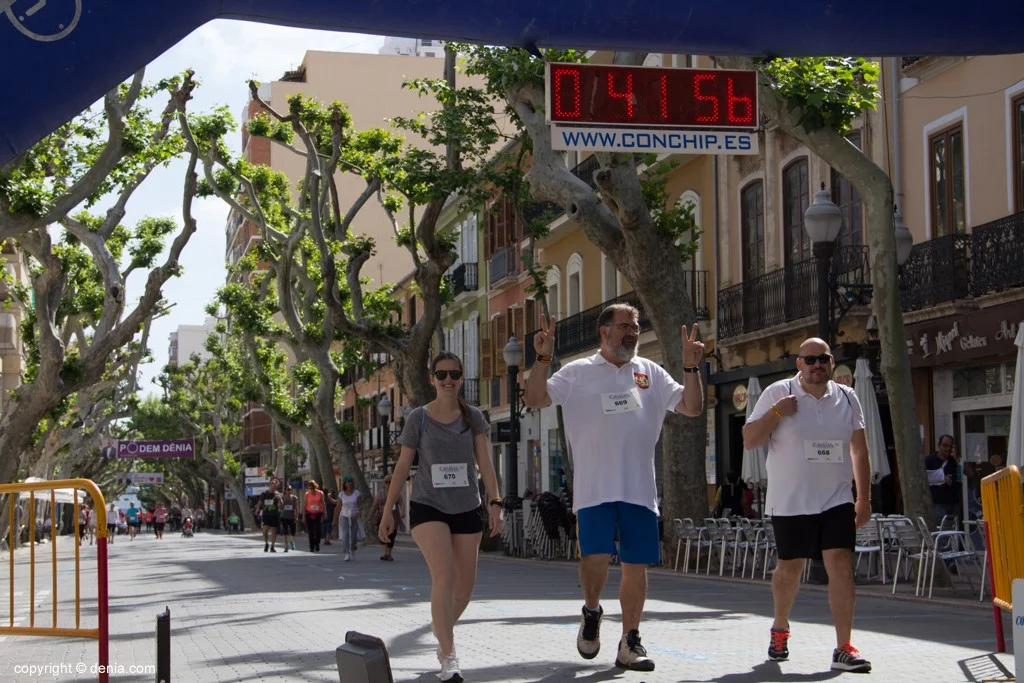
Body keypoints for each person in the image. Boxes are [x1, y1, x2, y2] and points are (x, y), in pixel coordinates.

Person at [523, 305, 704, 672]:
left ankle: (630, 641)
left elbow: (692, 406)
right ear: (604, 332)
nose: (633, 332)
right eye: (625, 326)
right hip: (594, 490)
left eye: (635, 326)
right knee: (595, 559)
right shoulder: (577, 373)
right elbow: (534, 398)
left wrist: (690, 366)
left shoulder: (650, 373)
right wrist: (543, 356)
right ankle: (591, 611)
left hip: (639, 489)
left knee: (637, 566)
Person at [742, 337, 872, 673]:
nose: (817, 365)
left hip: (837, 499)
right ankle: (780, 627)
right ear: (799, 364)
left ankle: (844, 647)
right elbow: (750, 439)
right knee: (790, 570)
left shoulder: (847, 396)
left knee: (841, 565)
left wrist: (864, 498)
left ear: (831, 362)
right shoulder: (778, 393)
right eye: (810, 360)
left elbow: (859, 450)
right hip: (791, 500)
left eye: (823, 359)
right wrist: (776, 412)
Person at [379, 351, 503, 683]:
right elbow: (403, 466)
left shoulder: (473, 417)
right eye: (442, 374)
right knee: (444, 578)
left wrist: (495, 502)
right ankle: (449, 657)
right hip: (428, 505)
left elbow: (486, 464)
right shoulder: (418, 418)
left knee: (464, 590)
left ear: (462, 378)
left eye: (455, 374)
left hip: (466, 505)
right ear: (432, 379)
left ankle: (440, 630)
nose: (449, 380)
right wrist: (389, 509)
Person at [925, 434, 959, 526]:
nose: (948, 449)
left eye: (951, 447)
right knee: (942, 532)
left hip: (954, 503)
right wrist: (941, 478)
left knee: (952, 533)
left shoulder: (953, 461)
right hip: (938, 503)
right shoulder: (929, 460)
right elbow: (925, 479)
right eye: (945, 446)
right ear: (939, 445)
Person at [369, 474, 404, 561]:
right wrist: (370, 516)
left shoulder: (396, 492)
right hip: (382, 517)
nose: (388, 484)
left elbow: (401, 503)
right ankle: (385, 553)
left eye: (390, 482)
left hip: (394, 517)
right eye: (386, 482)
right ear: (384, 483)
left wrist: (403, 511)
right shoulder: (380, 494)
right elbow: (374, 505)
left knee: (392, 535)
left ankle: (388, 553)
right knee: (382, 534)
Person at [337, 477, 361, 562]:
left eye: (351, 481)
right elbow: (338, 507)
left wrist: (358, 512)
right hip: (344, 515)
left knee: (354, 536)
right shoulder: (341, 494)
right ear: (345, 484)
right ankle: (346, 553)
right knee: (346, 533)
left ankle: (352, 547)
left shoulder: (356, 493)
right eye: (348, 482)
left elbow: (359, 505)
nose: (349, 483)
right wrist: (334, 519)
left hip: (354, 515)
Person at [257, 481, 284, 553]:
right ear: (269, 486)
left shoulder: (277, 494)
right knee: (265, 530)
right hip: (266, 514)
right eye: (272, 486)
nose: (273, 487)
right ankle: (266, 543)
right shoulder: (264, 494)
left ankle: (272, 546)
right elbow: (260, 503)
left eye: (274, 486)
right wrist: (258, 509)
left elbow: (281, 507)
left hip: (274, 515)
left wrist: (279, 499)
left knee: (274, 531)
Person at [304, 480, 326, 552]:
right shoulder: (307, 494)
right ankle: (311, 546)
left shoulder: (320, 493)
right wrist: (303, 516)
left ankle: (317, 543)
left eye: (313, 488)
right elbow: (305, 505)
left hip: (318, 514)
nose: (312, 490)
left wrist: (325, 513)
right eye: (310, 488)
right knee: (311, 531)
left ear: (315, 487)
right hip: (309, 514)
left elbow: (323, 503)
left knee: (318, 530)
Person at [279, 485, 298, 552]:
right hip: (284, 517)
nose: (289, 491)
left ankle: (292, 542)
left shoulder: (294, 497)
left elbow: (296, 507)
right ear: (285, 491)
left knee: (293, 531)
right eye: (288, 489)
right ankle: (286, 546)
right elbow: (280, 507)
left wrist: (296, 516)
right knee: (285, 532)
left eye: (290, 489)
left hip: (292, 517)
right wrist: (284, 501)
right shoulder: (282, 498)